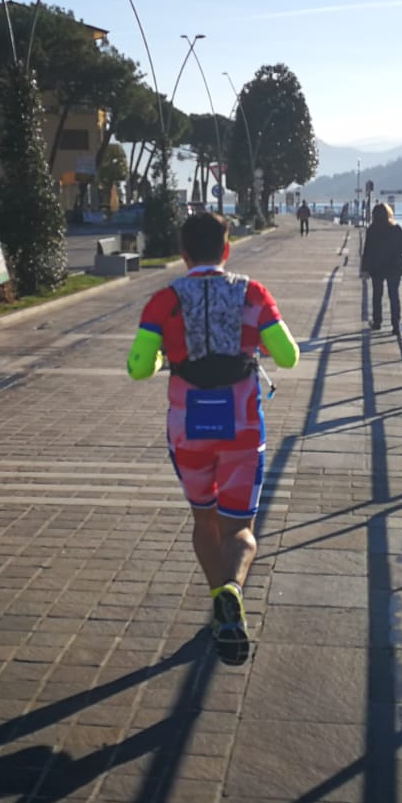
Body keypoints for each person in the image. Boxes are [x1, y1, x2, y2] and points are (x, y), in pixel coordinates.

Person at [126, 212, 300, 664]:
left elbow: (138, 367)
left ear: (183, 254)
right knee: (239, 529)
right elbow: (288, 357)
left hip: (188, 429)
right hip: (242, 428)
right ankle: (233, 590)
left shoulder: (164, 300)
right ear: (226, 249)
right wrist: (257, 343)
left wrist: (163, 357)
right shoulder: (252, 294)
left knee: (204, 519)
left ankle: (219, 601)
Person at [359, 201, 402, 336]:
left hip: (377, 267)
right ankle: (396, 325)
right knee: (394, 295)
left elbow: (367, 251)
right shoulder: (396, 229)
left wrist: (364, 269)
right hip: (394, 267)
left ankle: (377, 322)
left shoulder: (372, 230)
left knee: (377, 295)